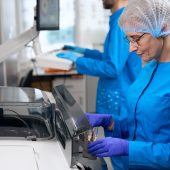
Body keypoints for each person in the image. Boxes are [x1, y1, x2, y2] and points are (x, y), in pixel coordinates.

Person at [85, 0, 170, 169]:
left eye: (136, 39)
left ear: (163, 28)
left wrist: (128, 148)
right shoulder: (149, 68)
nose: (131, 48)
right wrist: (111, 122)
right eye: (129, 40)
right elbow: (143, 125)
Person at [57, 0, 141, 169]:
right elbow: (110, 56)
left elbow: (113, 67)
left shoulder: (123, 22)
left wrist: (78, 62)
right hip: (118, 96)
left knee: (121, 158)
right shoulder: (119, 19)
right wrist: (82, 52)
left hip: (119, 99)